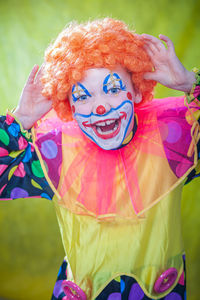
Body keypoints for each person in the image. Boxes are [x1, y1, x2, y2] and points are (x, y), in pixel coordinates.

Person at [0, 18, 200, 300]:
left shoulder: (171, 138)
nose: (100, 106)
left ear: (136, 90)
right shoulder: (55, 156)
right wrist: (19, 120)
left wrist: (189, 82)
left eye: (114, 89)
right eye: (83, 96)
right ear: (70, 107)